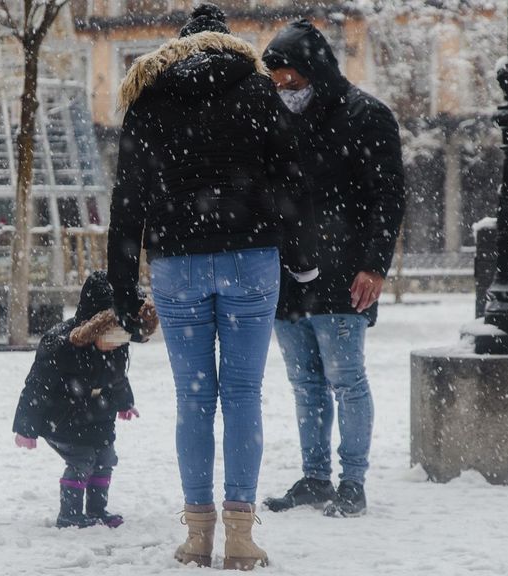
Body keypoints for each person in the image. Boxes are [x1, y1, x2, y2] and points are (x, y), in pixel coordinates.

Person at [106, 3, 317, 569]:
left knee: (194, 397)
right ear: (229, 42)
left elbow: (127, 200)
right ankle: (242, 537)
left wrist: (123, 287)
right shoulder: (256, 90)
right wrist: (303, 260)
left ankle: (197, 533)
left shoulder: (148, 96)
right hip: (251, 258)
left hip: (178, 263)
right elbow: (289, 176)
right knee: (244, 394)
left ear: (179, 45)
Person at [260, 20, 406, 518]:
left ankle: (353, 481)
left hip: (344, 272)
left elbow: (389, 197)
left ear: (314, 70)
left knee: (346, 380)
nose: (284, 89)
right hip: (285, 274)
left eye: (291, 79)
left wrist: (373, 266)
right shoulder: (273, 116)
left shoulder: (367, 116)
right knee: (305, 383)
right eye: (277, 80)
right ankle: (316, 476)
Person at [12, 271, 156, 529]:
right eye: (112, 332)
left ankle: (97, 509)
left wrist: (124, 403)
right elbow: (36, 386)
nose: (118, 341)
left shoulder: (117, 341)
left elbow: (117, 376)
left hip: (99, 414)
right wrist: (26, 427)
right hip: (62, 416)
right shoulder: (61, 344)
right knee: (82, 460)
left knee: (106, 458)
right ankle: (69, 514)